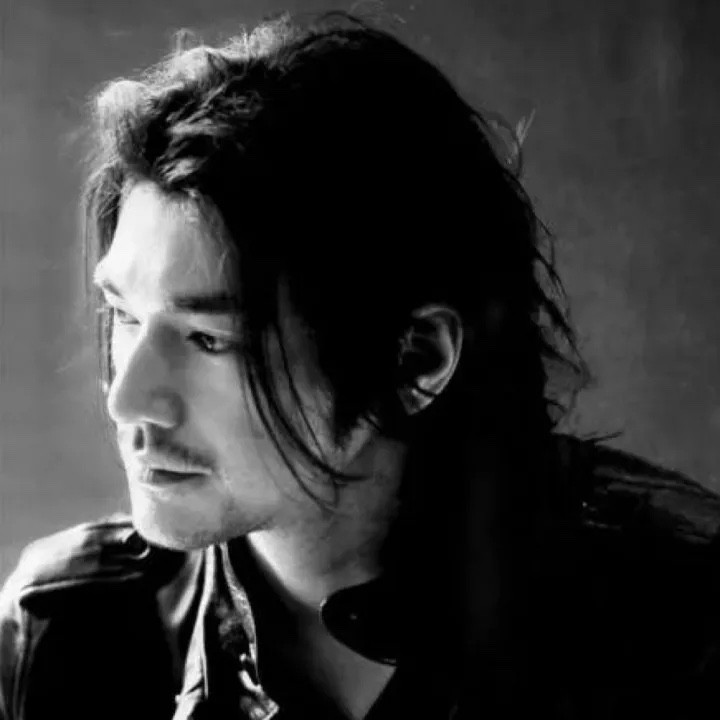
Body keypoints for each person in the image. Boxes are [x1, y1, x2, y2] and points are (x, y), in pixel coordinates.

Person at [2, 9, 720, 720]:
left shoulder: (681, 622)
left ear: (417, 359)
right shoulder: (68, 631)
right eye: (127, 315)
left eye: (209, 339)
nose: (128, 399)